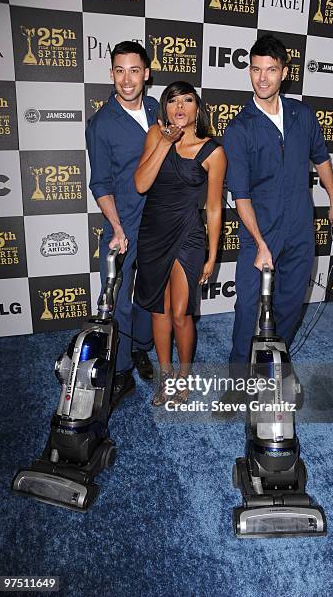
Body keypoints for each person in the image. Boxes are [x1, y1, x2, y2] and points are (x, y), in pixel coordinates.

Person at [223, 33, 333, 384]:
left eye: (271, 69)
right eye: (256, 69)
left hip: (300, 228)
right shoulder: (239, 128)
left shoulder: (302, 115)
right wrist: (261, 244)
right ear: (249, 71)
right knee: (248, 309)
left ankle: (271, 364)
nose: (262, 78)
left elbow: (321, 159)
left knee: (291, 303)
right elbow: (240, 195)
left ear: (284, 72)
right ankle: (237, 380)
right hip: (261, 232)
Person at [134, 81, 226, 406]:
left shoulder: (213, 151)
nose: (180, 107)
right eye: (173, 101)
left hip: (187, 235)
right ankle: (166, 376)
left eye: (187, 100)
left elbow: (214, 208)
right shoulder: (154, 136)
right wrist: (164, 142)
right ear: (166, 108)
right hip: (153, 234)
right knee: (158, 312)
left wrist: (212, 255)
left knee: (179, 314)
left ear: (197, 108)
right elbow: (141, 184)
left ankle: (184, 378)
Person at [86, 41, 158, 405]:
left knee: (149, 293)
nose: (126, 80)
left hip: (159, 221)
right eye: (119, 70)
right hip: (124, 222)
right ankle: (124, 367)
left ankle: (142, 348)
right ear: (111, 73)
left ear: (146, 73)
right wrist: (116, 227)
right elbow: (100, 182)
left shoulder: (159, 109)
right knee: (117, 299)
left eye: (134, 70)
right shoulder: (100, 123)